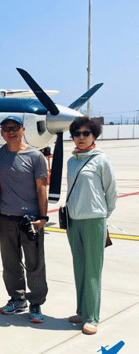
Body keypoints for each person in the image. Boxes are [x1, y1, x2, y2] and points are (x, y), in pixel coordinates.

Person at [0, 116, 49, 324]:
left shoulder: (36, 156)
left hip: (30, 219)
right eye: (6, 128)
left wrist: (43, 218)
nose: (10, 131)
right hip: (6, 218)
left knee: (34, 263)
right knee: (10, 262)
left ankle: (36, 302)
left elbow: (42, 188)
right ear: (1, 133)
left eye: (15, 127)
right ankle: (17, 299)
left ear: (23, 129)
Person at [65, 117, 117, 335]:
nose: (81, 137)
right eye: (77, 133)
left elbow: (111, 192)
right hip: (73, 221)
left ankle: (92, 317)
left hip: (94, 220)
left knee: (93, 269)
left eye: (86, 133)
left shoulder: (101, 160)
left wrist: (103, 217)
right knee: (79, 267)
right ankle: (81, 310)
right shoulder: (72, 161)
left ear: (94, 135)